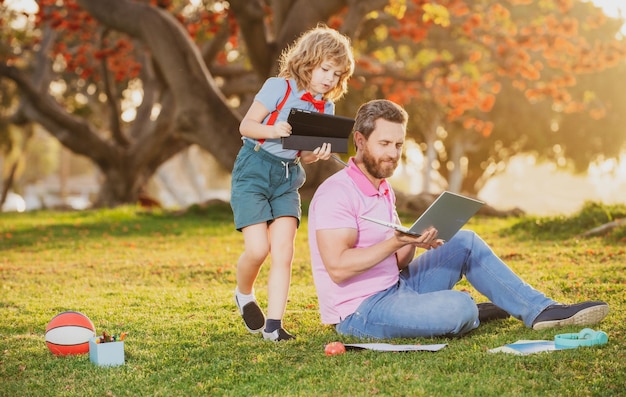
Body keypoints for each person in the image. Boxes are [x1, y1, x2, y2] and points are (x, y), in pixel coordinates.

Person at [307, 99, 609, 339]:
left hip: (396, 286)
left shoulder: (383, 190)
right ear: (360, 141)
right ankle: (468, 311)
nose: (393, 154)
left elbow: (399, 261)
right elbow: (338, 268)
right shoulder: (336, 193)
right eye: (384, 144)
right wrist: (394, 242)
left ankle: (540, 310)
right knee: (460, 307)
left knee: (464, 241)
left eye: (398, 145)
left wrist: (412, 240)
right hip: (361, 311)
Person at [230, 25, 355, 341]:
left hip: (288, 178)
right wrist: (274, 131)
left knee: (283, 252)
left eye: (337, 75)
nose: (330, 79)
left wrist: (318, 154)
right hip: (254, 169)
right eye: (326, 69)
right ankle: (244, 294)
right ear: (308, 61)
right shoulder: (278, 87)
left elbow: (305, 155)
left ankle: (274, 326)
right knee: (258, 249)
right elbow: (246, 126)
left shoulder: (326, 107)